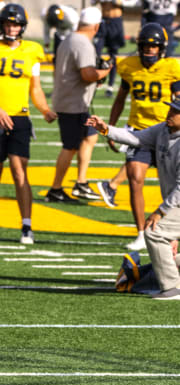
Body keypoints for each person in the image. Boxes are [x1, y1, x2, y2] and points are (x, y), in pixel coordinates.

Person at [0, 3, 57, 244]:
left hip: (20, 118)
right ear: (1, 25)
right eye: (9, 23)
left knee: (20, 172)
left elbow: (36, 88)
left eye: (16, 24)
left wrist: (45, 110)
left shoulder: (32, 50)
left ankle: (26, 226)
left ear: (23, 26)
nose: (12, 28)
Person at [97, 23, 180, 251]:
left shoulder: (172, 68)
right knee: (135, 177)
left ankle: (171, 231)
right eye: (145, 46)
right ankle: (142, 232)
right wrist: (111, 127)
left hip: (167, 131)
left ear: (161, 48)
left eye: (154, 47)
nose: (149, 50)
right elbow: (120, 98)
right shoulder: (129, 66)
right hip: (138, 129)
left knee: (175, 186)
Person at [87, 103, 180, 300]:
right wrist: (105, 129)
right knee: (162, 237)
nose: (170, 113)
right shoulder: (163, 129)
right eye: (171, 109)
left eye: (176, 111)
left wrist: (161, 212)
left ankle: (172, 288)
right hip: (176, 201)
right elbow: (136, 138)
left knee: (155, 231)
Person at [44, 6, 112, 203]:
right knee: (70, 146)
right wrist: (104, 73)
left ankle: (81, 182)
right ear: (96, 27)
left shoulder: (70, 39)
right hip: (72, 103)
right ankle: (55, 189)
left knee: (90, 136)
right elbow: (87, 74)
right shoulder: (82, 43)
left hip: (71, 100)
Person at [93, 0, 125, 98]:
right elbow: (92, 3)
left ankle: (110, 86)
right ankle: (94, 82)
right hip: (103, 21)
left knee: (113, 55)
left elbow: (129, 3)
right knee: (95, 53)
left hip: (115, 21)